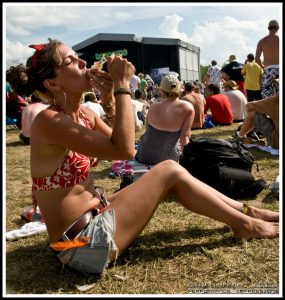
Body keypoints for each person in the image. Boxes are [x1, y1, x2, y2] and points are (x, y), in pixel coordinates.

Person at [8, 38, 278, 275]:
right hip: (79, 246)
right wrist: (124, 86)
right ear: (52, 83)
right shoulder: (49, 120)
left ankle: (247, 212)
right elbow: (123, 150)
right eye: (70, 60)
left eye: (78, 56)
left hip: (96, 215)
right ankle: (246, 224)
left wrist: (110, 102)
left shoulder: (84, 116)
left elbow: (127, 143)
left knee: (170, 169)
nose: (82, 61)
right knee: (169, 169)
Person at [135, 75, 195, 164]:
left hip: (143, 155)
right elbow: (184, 138)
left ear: (161, 90)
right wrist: (189, 160)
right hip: (167, 159)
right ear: (180, 88)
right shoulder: (188, 108)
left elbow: (148, 131)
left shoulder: (153, 107)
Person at [255, 19, 279, 98]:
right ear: (278, 28)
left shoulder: (262, 41)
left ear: (268, 28)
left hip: (268, 70)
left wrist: (263, 67)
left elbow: (257, 59)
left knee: (268, 96)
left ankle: (270, 110)